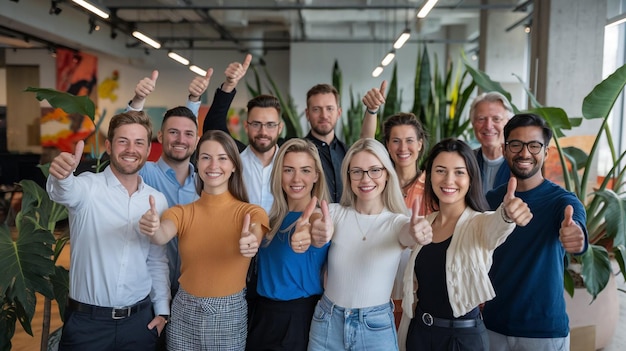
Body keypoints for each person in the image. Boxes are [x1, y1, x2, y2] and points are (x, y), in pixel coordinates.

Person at [47, 111, 170, 351]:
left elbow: (157, 260)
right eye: (123, 141)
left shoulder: (157, 200)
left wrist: (163, 311)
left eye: (139, 143)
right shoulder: (88, 188)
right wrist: (61, 176)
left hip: (139, 324)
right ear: (108, 146)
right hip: (87, 325)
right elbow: (65, 190)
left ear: (147, 151)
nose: (130, 149)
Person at [397, 138, 533, 351]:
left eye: (459, 172)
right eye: (440, 170)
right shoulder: (425, 223)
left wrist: (507, 214)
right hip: (420, 334)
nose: (449, 180)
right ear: (430, 175)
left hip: (462, 339)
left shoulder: (478, 223)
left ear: (471, 178)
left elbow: (496, 227)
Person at [139, 130, 270, 351]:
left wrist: (251, 241)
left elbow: (255, 233)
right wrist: (152, 227)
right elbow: (162, 234)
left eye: (222, 158)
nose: (213, 165)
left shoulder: (251, 212)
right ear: (197, 164)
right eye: (206, 157)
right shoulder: (181, 212)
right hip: (184, 310)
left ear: (234, 165)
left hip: (228, 314)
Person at [307, 138, 433, 351]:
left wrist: (416, 232)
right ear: (348, 176)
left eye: (374, 170)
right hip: (327, 321)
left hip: (374, 327)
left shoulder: (397, 222)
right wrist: (315, 228)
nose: (366, 179)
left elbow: (407, 235)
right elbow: (317, 219)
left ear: (386, 174)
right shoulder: (335, 213)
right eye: (357, 171)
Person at [483, 113, 588, 351]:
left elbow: (576, 229)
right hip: (492, 326)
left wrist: (576, 237)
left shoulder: (562, 201)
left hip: (543, 333)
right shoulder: (490, 199)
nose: (524, 153)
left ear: (546, 152)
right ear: (505, 149)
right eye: (516, 144)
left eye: (534, 145)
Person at [128, 69, 212, 299]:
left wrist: (194, 99)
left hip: (193, 292)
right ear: (161, 136)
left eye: (188, 135)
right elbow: (128, 140)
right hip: (150, 292)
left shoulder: (205, 183)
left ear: (196, 140)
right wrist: (137, 102)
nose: (180, 140)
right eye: (173, 132)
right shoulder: (145, 173)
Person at [246, 138, 331, 351]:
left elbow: (319, 228)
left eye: (305, 170)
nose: (296, 178)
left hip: (298, 319)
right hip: (262, 315)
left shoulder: (316, 217)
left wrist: (313, 231)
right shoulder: (271, 220)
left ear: (316, 176)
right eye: (288, 170)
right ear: (279, 174)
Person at [362, 81, 430, 326]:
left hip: (419, 288)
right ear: (387, 146)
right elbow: (365, 147)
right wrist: (371, 112)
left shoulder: (433, 187)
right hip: (378, 285)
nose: (403, 148)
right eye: (395, 141)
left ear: (420, 143)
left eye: (410, 140)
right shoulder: (378, 183)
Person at [203, 54, 282, 214]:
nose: (263, 132)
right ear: (246, 126)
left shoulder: (288, 163)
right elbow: (213, 128)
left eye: (270, 125)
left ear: (279, 128)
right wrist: (229, 86)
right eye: (256, 124)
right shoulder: (235, 160)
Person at [304, 83, 348, 203]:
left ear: (339, 113)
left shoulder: (347, 152)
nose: (324, 115)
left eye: (329, 109)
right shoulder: (300, 152)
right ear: (307, 114)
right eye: (316, 109)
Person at [469, 92, 515, 194]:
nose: (488, 126)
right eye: (481, 119)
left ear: (508, 123)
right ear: (473, 124)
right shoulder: (466, 161)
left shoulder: (519, 163)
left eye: (496, 119)